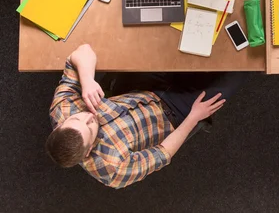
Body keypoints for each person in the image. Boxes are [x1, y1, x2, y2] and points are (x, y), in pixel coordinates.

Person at [45, 44, 244, 189]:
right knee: (240, 66)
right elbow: (163, 153)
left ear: (61, 125)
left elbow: (82, 52)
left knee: (191, 42)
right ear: (88, 150)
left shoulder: (63, 110)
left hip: (144, 88)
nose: (89, 116)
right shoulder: (113, 170)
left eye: (77, 118)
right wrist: (193, 117)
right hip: (177, 113)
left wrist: (87, 81)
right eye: (89, 127)